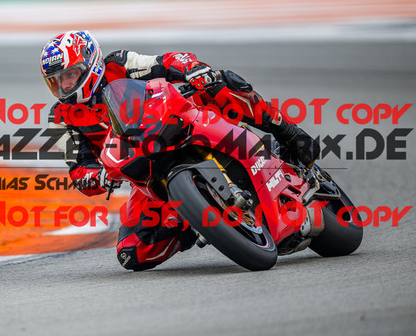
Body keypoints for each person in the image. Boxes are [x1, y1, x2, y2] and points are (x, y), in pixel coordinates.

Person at [41, 30, 319, 271]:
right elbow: (78, 168)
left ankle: (288, 132)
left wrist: (192, 68)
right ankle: (194, 221)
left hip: (176, 121)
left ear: (90, 63)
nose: (65, 86)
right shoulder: (60, 118)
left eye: (70, 75)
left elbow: (165, 61)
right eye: (57, 80)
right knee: (132, 253)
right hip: (144, 167)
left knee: (220, 83)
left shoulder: (119, 64)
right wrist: (98, 177)